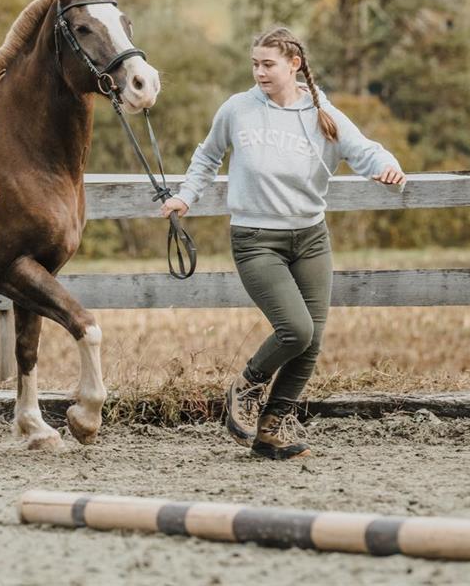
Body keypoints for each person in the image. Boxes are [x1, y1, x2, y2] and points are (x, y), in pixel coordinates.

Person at [161, 27, 406, 460]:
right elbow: (207, 155)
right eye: (254, 64)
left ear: (294, 64)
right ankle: (248, 384)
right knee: (295, 329)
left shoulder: (321, 113)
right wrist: (186, 195)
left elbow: (364, 150)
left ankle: (273, 427)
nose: (259, 72)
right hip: (256, 239)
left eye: (268, 64)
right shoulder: (237, 109)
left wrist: (388, 166)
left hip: (311, 238)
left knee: (312, 341)